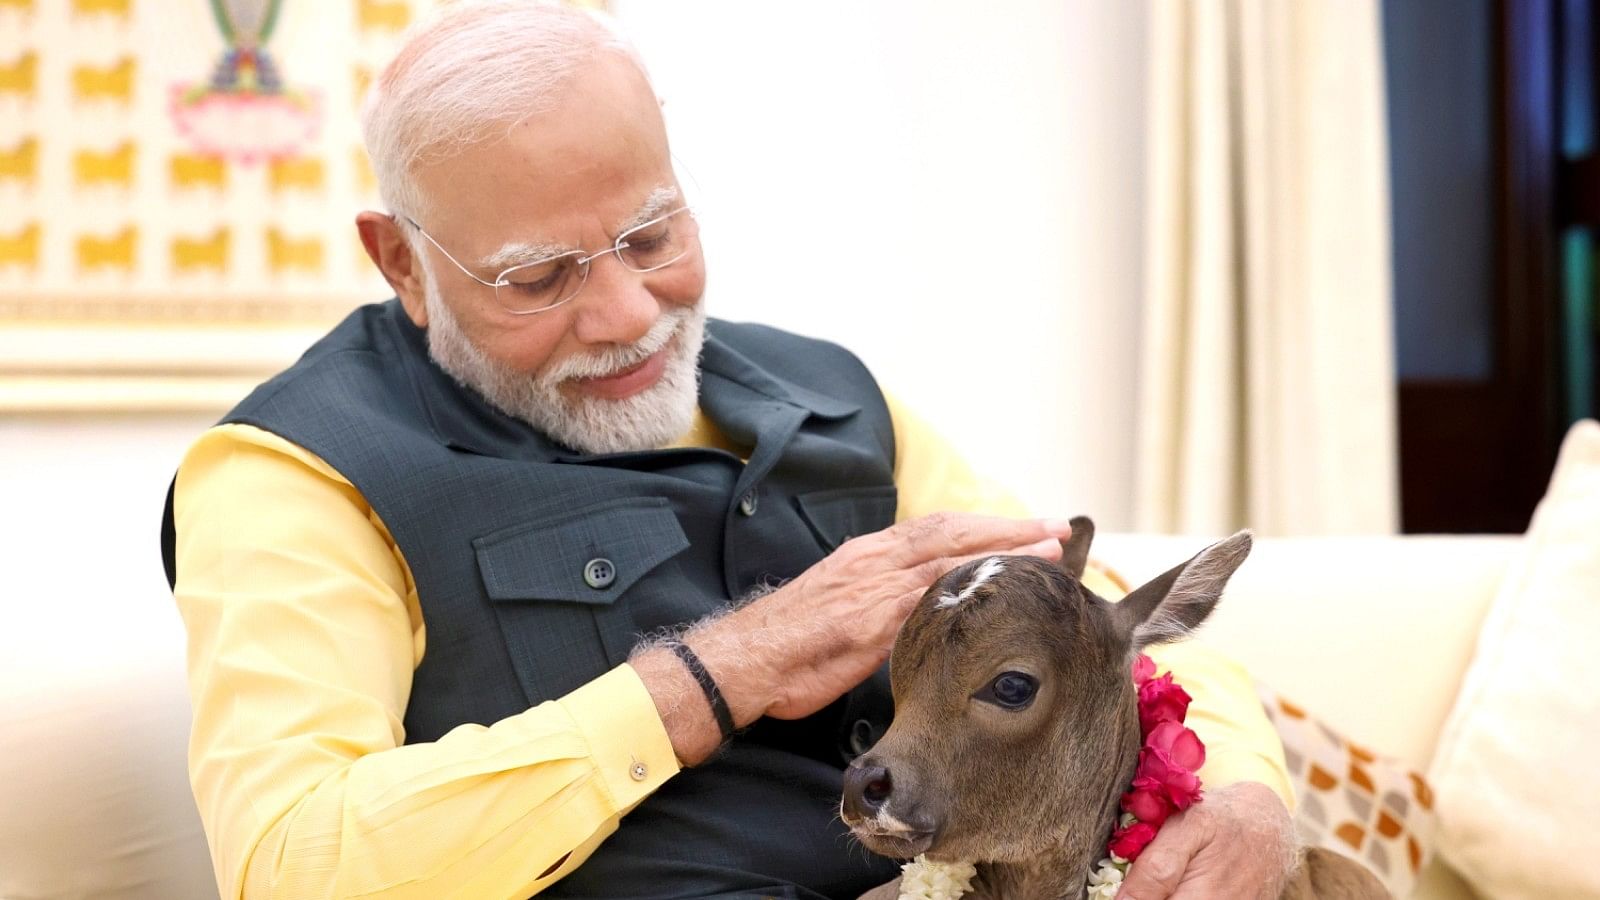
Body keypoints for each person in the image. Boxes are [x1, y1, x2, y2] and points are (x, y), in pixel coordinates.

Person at [164, 3, 1298, 898]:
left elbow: (1099, 625)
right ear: (401, 263)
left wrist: (1245, 796)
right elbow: (293, 866)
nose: (622, 313)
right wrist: (719, 671)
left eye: (649, 236)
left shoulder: (838, 397)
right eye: (537, 276)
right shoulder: (296, 475)